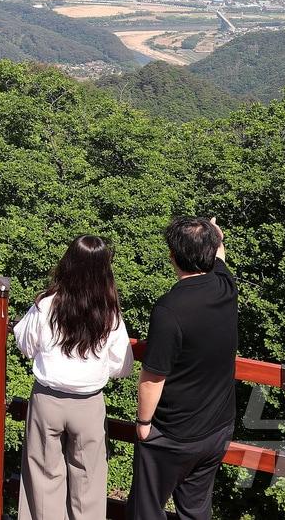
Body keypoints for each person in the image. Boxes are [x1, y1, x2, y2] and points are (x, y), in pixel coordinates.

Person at [14, 235, 134, 520]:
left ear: (68, 263)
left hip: (47, 400)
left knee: (43, 481)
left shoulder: (47, 304)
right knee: (88, 484)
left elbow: (25, 344)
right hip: (89, 404)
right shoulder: (109, 312)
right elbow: (123, 365)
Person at [131, 216, 238, 520]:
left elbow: (153, 376)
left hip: (174, 433)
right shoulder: (225, 286)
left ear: (172, 256)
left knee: (146, 510)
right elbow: (220, 256)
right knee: (195, 510)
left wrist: (143, 423)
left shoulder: (169, 308)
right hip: (217, 428)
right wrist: (216, 235)